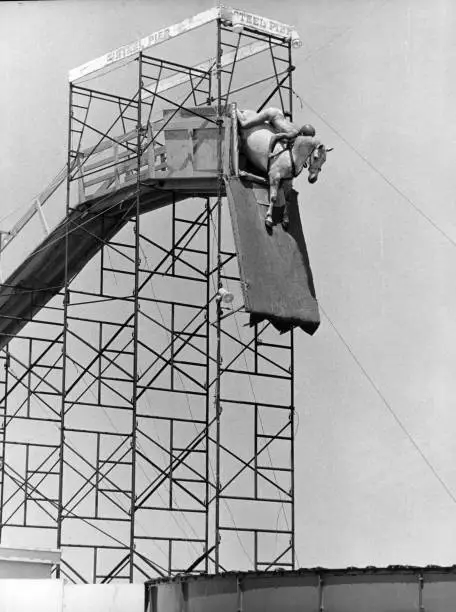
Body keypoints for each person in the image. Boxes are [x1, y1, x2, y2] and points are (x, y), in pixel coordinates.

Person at [237, 107, 315, 157]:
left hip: (279, 114)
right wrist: (270, 152)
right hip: (271, 114)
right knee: (244, 125)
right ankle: (234, 108)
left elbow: (285, 125)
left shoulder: (297, 129)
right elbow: (275, 137)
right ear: (302, 135)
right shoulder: (294, 134)